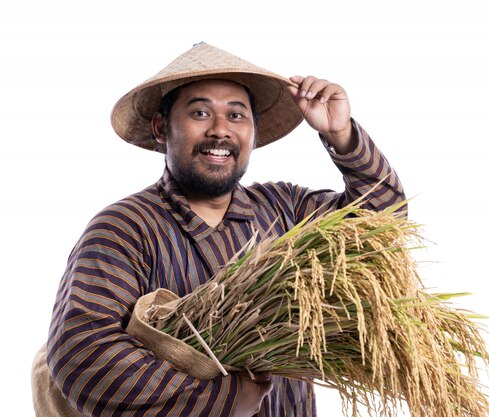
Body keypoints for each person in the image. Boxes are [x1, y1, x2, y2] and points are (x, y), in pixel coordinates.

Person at [35, 42, 405, 417]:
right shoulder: (126, 227)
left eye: (236, 115)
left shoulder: (284, 209)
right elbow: (84, 354)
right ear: (162, 128)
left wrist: (340, 133)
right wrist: (221, 401)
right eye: (199, 113)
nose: (220, 131)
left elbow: (381, 224)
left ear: (254, 133)